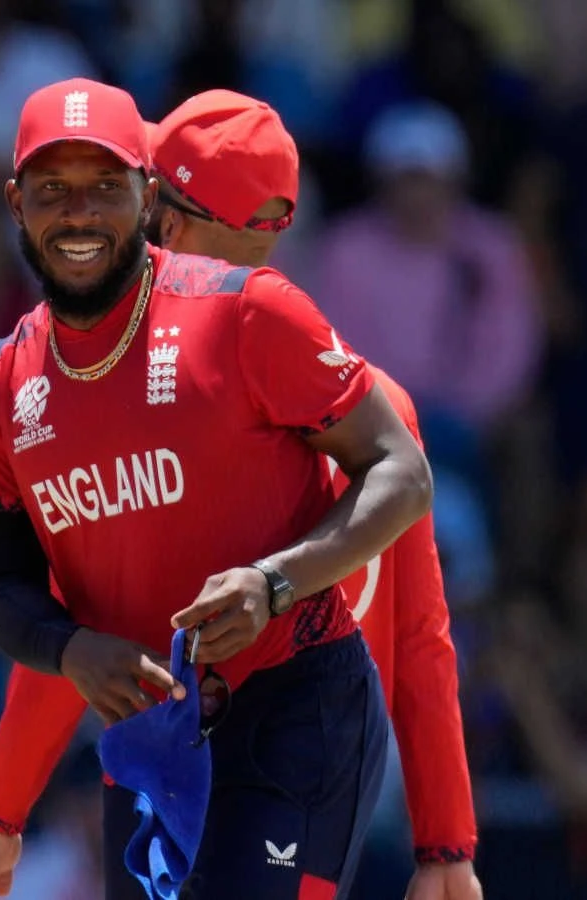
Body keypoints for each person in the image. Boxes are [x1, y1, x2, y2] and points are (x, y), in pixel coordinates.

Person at [0, 78, 433, 899]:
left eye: (106, 186)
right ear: (14, 202)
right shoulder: (1, 381)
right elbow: (9, 591)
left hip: (293, 706)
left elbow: (402, 472)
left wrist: (276, 583)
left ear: (148, 197)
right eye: (52, 189)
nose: (79, 213)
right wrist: (69, 652)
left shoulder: (248, 314)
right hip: (151, 740)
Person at [143, 89, 481, 900]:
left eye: (155, 205)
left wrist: (446, 845)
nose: (143, 228)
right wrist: (446, 846)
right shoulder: (378, 406)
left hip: (302, 761)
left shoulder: (375, 419)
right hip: (181, 754)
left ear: (181, 226)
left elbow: (418, 638)